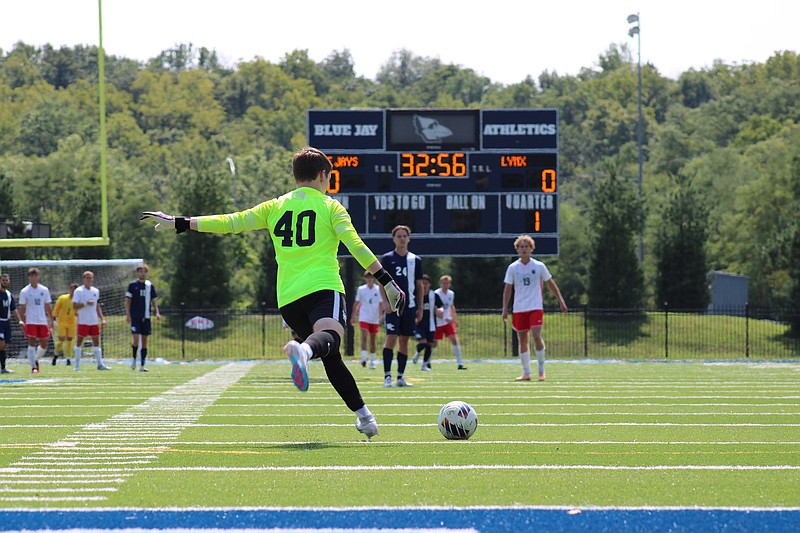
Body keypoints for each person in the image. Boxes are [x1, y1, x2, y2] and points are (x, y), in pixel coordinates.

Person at [140, 146, 405, 440]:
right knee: (329, 339)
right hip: (322, 288)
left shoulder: (275, 206)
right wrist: (387, 281)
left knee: (330, 354)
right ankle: (302, 350)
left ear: (295, 176)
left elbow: (231, 222)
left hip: (288, 299)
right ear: (323, 175)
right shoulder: (331, 207)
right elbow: (355, 245)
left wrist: (181, 221)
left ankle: (365, 418)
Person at [502, 235, 568, 381]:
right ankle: (526, 372)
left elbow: (551, 284)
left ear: (531, 249)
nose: (524, 249)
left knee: (536, 335)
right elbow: (508, 289)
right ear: (517, 249)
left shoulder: (539, 266)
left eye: (526, 246)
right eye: (521, 247)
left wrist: (561, 301)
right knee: (523, 340)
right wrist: (505, 309)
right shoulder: (513, 268)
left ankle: (541, 370)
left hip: (535, 306)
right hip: (519, 308)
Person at [380, 225, 423, 388]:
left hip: (410, 307)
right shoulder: (387, 258)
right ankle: (387, 376)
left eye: (404, 236)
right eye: (399, 236)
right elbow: (381, 283)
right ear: (394, 239)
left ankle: (400, 377)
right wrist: (385, 302)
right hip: (393, 306)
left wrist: (419, 308)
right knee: (391, 338)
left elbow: (419, 286)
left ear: (409, 238)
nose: (402, 238)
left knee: (404, 340)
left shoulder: (415, 260)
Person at [17, 268, 54, 374]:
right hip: (31, 320)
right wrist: (22, 320)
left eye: (36, 275)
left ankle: (35, 359)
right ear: (29, 277)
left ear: (39, 277)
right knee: (32, 341)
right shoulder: (25, 291)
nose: (34, 278)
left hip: (42, 320)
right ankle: (33, 366)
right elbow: (22, 307)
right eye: (31, 276)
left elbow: (47, 306)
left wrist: (51, 320)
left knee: (44, 343)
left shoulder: (44, 290)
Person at [125, 263, 161, 372]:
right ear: (137, 273)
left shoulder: (150, 285)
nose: (143, 274)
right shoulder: (132, 285)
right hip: (135, 317)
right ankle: (134, 359)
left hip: (146, 317)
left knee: (145, 340)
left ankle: (142, 364)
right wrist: (128, 314)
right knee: (135, 339)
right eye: (141, 272)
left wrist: (157, 312)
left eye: (145, 272)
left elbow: (154, 300)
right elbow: (128, 301)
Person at [72, 271, 110, 371]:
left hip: (93, 321)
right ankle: (77, 365)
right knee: (79, 342)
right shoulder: (79, 291)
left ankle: (100, 364)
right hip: (83, 321)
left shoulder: (95, 291)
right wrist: (85, 303)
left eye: (90, 278)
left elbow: (97, 306)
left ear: (93, 279)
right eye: (87, 278)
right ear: (83, 279)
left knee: (96, 341)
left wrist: (102, 319)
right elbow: (74, 306)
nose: (89, 280)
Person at [350, 271, 384, 369]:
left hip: (374, 318)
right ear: (365, 279)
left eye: (371, 277)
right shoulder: (361, 289)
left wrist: (380, 314)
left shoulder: (378, 289)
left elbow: (381, 303)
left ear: (374, 279)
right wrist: (353, 316)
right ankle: (364, 358)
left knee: (373, 340)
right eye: (368, 277)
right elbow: (356, 303)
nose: (370, 279)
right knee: (364, 336)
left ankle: (372, 361)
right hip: (364, 317)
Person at [434, 275, 467, 370]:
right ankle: (423, 360)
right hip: (438, 322)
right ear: (440, 284)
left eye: (447, 283)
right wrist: (445, 318)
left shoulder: (451, 294)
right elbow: (435, 310)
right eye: (443, 283)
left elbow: (451, 307)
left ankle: (460, 363)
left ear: (449, 284)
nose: (445, 285)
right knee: (433, 343)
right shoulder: (436, 293)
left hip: (447, 323)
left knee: (454, 340)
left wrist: (454, 319)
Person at [412, 274, 443, 371]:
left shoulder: (433, 295)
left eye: (426, 283)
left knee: (430, 344)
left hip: (431, 324)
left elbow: (440, 306)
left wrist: (440, 310)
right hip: (418, 324)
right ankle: (417, 354)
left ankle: (424, 364)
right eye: (422, 283)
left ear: (429, 284)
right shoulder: (415, 295)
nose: (424, 285)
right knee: (423, 342)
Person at [0, 273, 23, 374]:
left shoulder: (9, 295)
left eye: (6, 280)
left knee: (4, 346)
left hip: (6, 322)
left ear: (9, 282)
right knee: (1, 343)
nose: (4, 282)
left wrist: (20, 320)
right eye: (3, 280)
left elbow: (13, 309)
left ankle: (3, 368)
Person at [52, 283, 78, 366]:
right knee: (61, 339)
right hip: (62, 322)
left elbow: (78, 311)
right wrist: (53, 317)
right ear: (70, 289)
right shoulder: (63, 298)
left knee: (69, 340)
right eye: (72, 289)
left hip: (72, 323)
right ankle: (56, 355)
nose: (73, 291)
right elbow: (56, 308)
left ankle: (68, 358)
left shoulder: (77, 300)